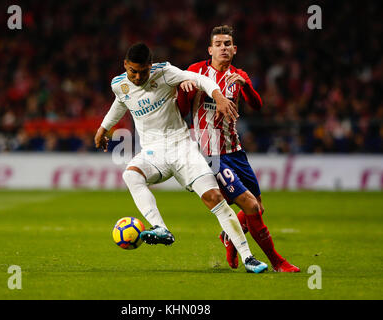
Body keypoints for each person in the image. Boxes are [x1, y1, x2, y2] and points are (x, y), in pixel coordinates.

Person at [95, 42, 268, 273]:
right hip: (153, 153)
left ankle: (248, 258)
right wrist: (103, 127)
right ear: (125, 65)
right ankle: (160, 228)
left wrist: (218, 96)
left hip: (182, 147)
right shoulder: (120, 85)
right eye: (132, 71)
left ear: (150, 66)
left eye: (143, 72)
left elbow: (201, 80)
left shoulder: (165, 73)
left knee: (215, 197)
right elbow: (121, 102)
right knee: (131, 175)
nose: (137, 77)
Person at [177, 26, 300, 272]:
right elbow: (181, 110)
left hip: (235, 150)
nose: (224, 47)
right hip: (210, 154)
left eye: (228, 43)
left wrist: (246, 85)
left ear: (234, 49)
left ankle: (228, 238)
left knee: (258, 206)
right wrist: (183, 89)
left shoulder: (238, 74)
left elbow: (257, 104)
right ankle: (277, 262)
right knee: (250, 206)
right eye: (219, 44)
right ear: (210, 49)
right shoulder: (196, 72)